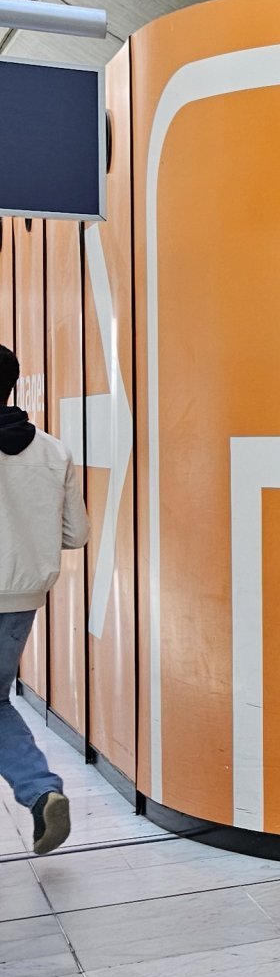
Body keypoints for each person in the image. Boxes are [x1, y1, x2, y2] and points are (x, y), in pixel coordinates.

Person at [0, 343, 87, 854]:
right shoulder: (54, 451)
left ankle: (39, 791)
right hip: (21, 599)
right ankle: (40, 793)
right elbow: (76, 533)